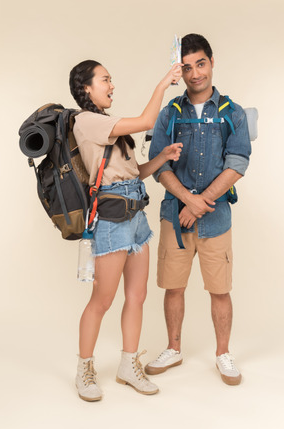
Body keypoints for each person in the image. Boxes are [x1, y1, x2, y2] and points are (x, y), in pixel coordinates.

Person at [69, 59, 183, 401]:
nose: (112, 85)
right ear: (86, 88)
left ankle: (127, 365)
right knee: (102, 301)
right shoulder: (87, 122)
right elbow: (148, 120)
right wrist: (164, 83)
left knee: (137, 296)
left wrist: (162, 156)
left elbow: (134, 175)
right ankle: (84, 370)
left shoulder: (108, 124)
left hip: (136, 218)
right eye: (105, 80)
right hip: (112, 221)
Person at [146, 34, 251, 385]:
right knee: (172, 288)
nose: (194, 74)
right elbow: (158, 166)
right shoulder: (169, 113)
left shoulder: (232, 112)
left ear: (211, 62)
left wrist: (200, 203)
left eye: (200, 64)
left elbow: (237, 163)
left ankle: (223, 353)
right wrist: (188, 201)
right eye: (187, 67)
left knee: (220, 290)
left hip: (215, 219)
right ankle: (173, 348)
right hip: (174, 218)